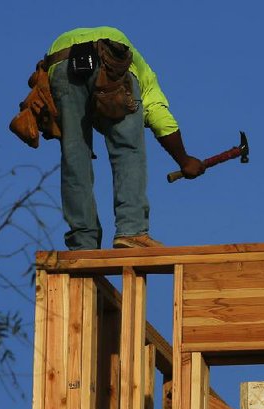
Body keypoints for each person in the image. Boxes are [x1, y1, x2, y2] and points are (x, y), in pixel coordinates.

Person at [44, 26, 205, 250]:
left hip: (59, 59)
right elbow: (159, 115)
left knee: (74, 155)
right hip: (110, 54)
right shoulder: (146, 77)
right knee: (127, 149)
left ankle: (83, 242)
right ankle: (132, 231)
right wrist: (184, 160)